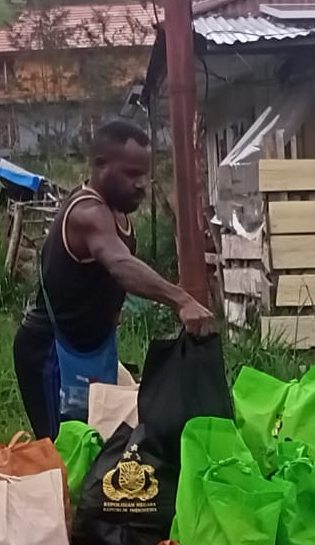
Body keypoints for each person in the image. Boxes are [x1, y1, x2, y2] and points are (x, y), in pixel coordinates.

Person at [13, 119, 214, 439]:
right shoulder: (88, 213)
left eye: (144, 174)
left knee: (110, 441)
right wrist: (182, 299)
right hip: (51, 352)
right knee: (62, 452)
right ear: (100, 165)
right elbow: (120, 264)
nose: (141, 184)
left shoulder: (115, 211)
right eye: (131, 174)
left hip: (95, 349)